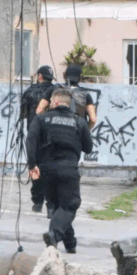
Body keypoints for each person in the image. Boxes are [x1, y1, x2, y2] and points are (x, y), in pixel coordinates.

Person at [27, 88, 93, 254]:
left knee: (58, 207)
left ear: (55, 102)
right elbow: (88, 148)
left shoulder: (41, 119)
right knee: (70, 205)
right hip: (68, 169)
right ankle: (54, 234)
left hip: (46, 170)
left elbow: (31, 140)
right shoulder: (79, 122)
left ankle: (70, 244)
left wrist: (32, 165)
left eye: (50, 101)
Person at [21, 65, 55, 213]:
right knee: (50, 169)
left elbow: (22, 114)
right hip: (51, 137)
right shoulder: (56, 91)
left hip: (34, 135)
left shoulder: (30, 91)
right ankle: (50, 203)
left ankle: (37, 202)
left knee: (34, 166)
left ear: (39, 76)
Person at [36, 64, 97, 130]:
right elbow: (93, 119)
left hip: (56, 130)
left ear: (64, 75)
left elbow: (39, 110)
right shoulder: (85, 94)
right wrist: (85, 130)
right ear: (79, 78)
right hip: (77, 132)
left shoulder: (54, 89)